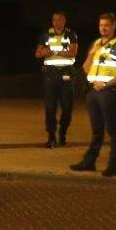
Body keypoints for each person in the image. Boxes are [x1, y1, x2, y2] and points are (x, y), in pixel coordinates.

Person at [70, 12, 116, 177]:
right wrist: (91, 54)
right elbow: (85, 68)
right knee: (96, 130)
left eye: (106, 25)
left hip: (108, 92)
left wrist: (106, 83)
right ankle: (89, 162)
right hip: (93, 92)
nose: (103, 28)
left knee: (112, 129)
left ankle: (113, 165)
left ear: (113, 27)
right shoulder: (95, 44)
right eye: (101, 25)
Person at [34, 11, 79, 147]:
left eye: (59, 20)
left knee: (67, 108)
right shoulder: (46, 35)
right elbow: (37, 53)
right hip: (50, 75)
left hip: (66, 74)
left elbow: (73, 52)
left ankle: (63, 133)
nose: (56, 22)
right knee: (50, 108)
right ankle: (51, 136)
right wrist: (43, 52)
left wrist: (55, 52)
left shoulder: (71, 35)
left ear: (64, 21)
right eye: (54, 20)